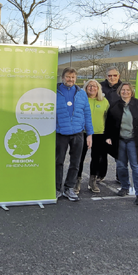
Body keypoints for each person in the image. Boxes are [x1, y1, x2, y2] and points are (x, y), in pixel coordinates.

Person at [105, 82, 138, 206]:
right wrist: (108, 136)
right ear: (119, 92)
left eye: (128, 90)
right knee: (121, 166)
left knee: (137, 167)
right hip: (120, 140)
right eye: (123, 90)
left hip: (135, 141)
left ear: (132, 92)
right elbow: (109, 123)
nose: (125, 92)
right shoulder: (114, 105)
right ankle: (124, 187)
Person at [56, 68, 93, 201]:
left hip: (78, 133)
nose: (70, 79)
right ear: (62, 78)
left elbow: (87, 114)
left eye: (72, 77)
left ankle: (69, 188)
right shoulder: (54, 92)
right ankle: (56, 188)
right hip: (60, 133)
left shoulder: (81, 93)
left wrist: (89, 134)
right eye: (68, 77)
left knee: (75, 162)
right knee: (58, 162)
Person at [79, 79, 110, 193]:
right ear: (86, 88)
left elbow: (108, 118)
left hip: (99, 133)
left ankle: (92, 181)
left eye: (94, 86)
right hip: (83, 133)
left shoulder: (104, 101)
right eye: (89, 86)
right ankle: (77, 181)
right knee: (79, 158)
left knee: (96, 158)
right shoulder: (81, 100)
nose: (92, 88)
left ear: (98, 88)